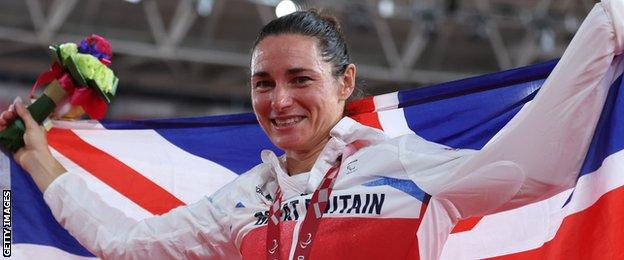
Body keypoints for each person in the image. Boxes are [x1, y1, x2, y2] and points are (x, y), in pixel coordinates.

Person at [1, 0, 623, 258]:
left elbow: (533, 168)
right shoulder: (246, 200)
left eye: (300, 80)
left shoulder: (401, 164)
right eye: (264, 84)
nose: (280, 101)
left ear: (345, 83)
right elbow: (127, 244)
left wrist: (606, 26)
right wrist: (35, 156)